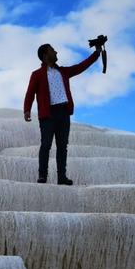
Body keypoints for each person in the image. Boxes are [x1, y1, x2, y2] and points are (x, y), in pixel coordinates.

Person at [23, 43, 101, 185]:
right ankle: (42, 175)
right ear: (45, 55)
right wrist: (27, 110)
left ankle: (62, 177)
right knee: (46, 145)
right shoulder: (37, 74)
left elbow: (80, 67)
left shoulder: (63, 72)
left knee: (62, 146)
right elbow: (30, 93)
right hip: (48, 114)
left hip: (63, 112)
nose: (56, 52)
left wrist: (97, 53)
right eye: (53, 50)